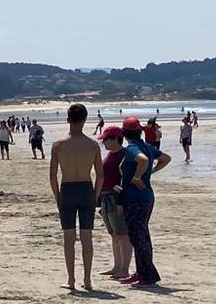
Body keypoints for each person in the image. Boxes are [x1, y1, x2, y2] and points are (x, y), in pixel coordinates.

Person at [49, 104, 102, 294]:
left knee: (69, 237)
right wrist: (95, 195)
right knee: (86, 237)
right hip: (86, 187)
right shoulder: (93, 145)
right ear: (85, 120)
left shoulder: (59, 145)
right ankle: (87, 279)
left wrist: (57, 197)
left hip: (68, 188)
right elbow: (100, 175)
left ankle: (71, 280)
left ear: (67, 119)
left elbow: (53, 176)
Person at [117, 116, 168, 287]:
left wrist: (138, 176)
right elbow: (165, 158)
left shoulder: (132, 148)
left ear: (124, 133)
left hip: (135, 199)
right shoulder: (147, 147)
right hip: (146, 197)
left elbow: (144, 160)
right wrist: (151, 173)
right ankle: (140, 272)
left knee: (139, 237)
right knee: (140, 235)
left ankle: (147, 275)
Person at [95, 125, 132, 282]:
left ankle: (124, 269)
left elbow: (126, 180)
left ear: (116, 139)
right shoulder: (110, 154)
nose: (104, 143)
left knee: (122, 235)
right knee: (114, 235)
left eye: (106, 140)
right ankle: (117, 267)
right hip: (105, 198)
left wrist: (121, 200)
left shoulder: (125, 155)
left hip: (115, 198)